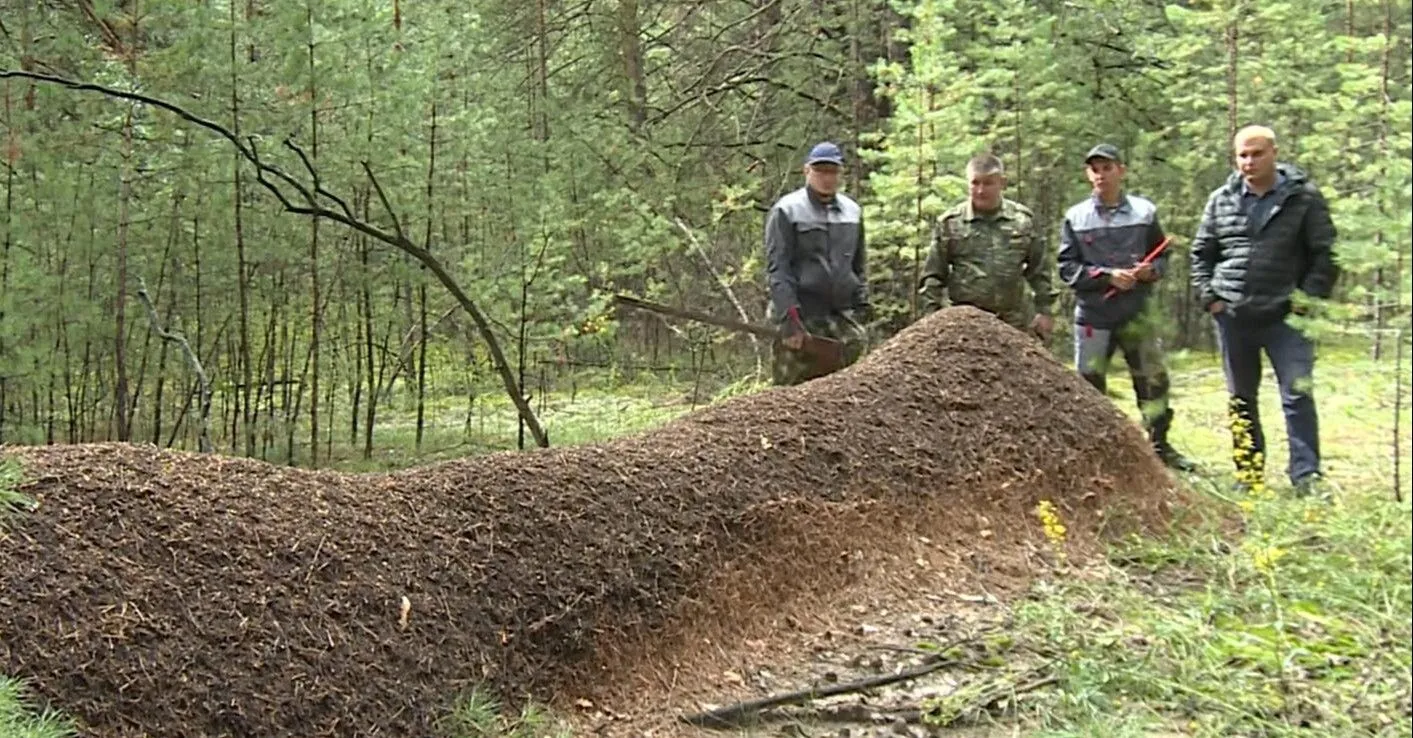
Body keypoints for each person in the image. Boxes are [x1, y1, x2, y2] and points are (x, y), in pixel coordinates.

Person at [1190, 125, 1339, 496]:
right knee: (1241, 398)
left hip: (1287, 317)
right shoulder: (1222, 199)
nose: (1249, 162)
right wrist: (1211, 298)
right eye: (1242, 155)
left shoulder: (1303, 198)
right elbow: (1201, 254)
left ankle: (1306, 477)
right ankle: (1249, 475)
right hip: (1234, 315)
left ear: (1274, 152)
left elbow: (1326, 254)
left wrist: (1306, 300)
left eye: (1257, 154)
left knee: (1297, 394)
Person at [1058, 143, 1194, 471]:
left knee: (1152, 380)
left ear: (1122, 170)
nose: (1100, 175)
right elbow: (1067, 268)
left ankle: (1160, 447)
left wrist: (1152, 271)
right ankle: (1095, 454)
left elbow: (1162, 255)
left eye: (1107, 167)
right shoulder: (1076, 217)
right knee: (1089, 385)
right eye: (1094, 169)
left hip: (1138, 313)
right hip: (1094, 316)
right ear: (1088, 174)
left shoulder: (1144, 212)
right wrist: (1106, 277)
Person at [763, 141, 870, 386]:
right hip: (802, 313)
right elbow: (779, 269)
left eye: (832, 171)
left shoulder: (852, 211)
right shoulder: (787, 210)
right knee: (790, 393)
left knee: (845, 391)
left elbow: (859, 263)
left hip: (840, 316)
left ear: (840, 174)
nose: (826, 177)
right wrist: (789, 318)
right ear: (807, 171)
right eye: (820, 170)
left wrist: (861, 300)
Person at [918, 153, 1055, 340]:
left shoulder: (1022, 221)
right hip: (964, 326)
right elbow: (933, 275)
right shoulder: (950, 223)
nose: (981, 190)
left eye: (988, 183)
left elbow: (1040, 271)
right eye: (975, 183)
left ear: (1002, 183)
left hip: (1013, 323)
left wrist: (1045, 310)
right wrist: (932, 318)